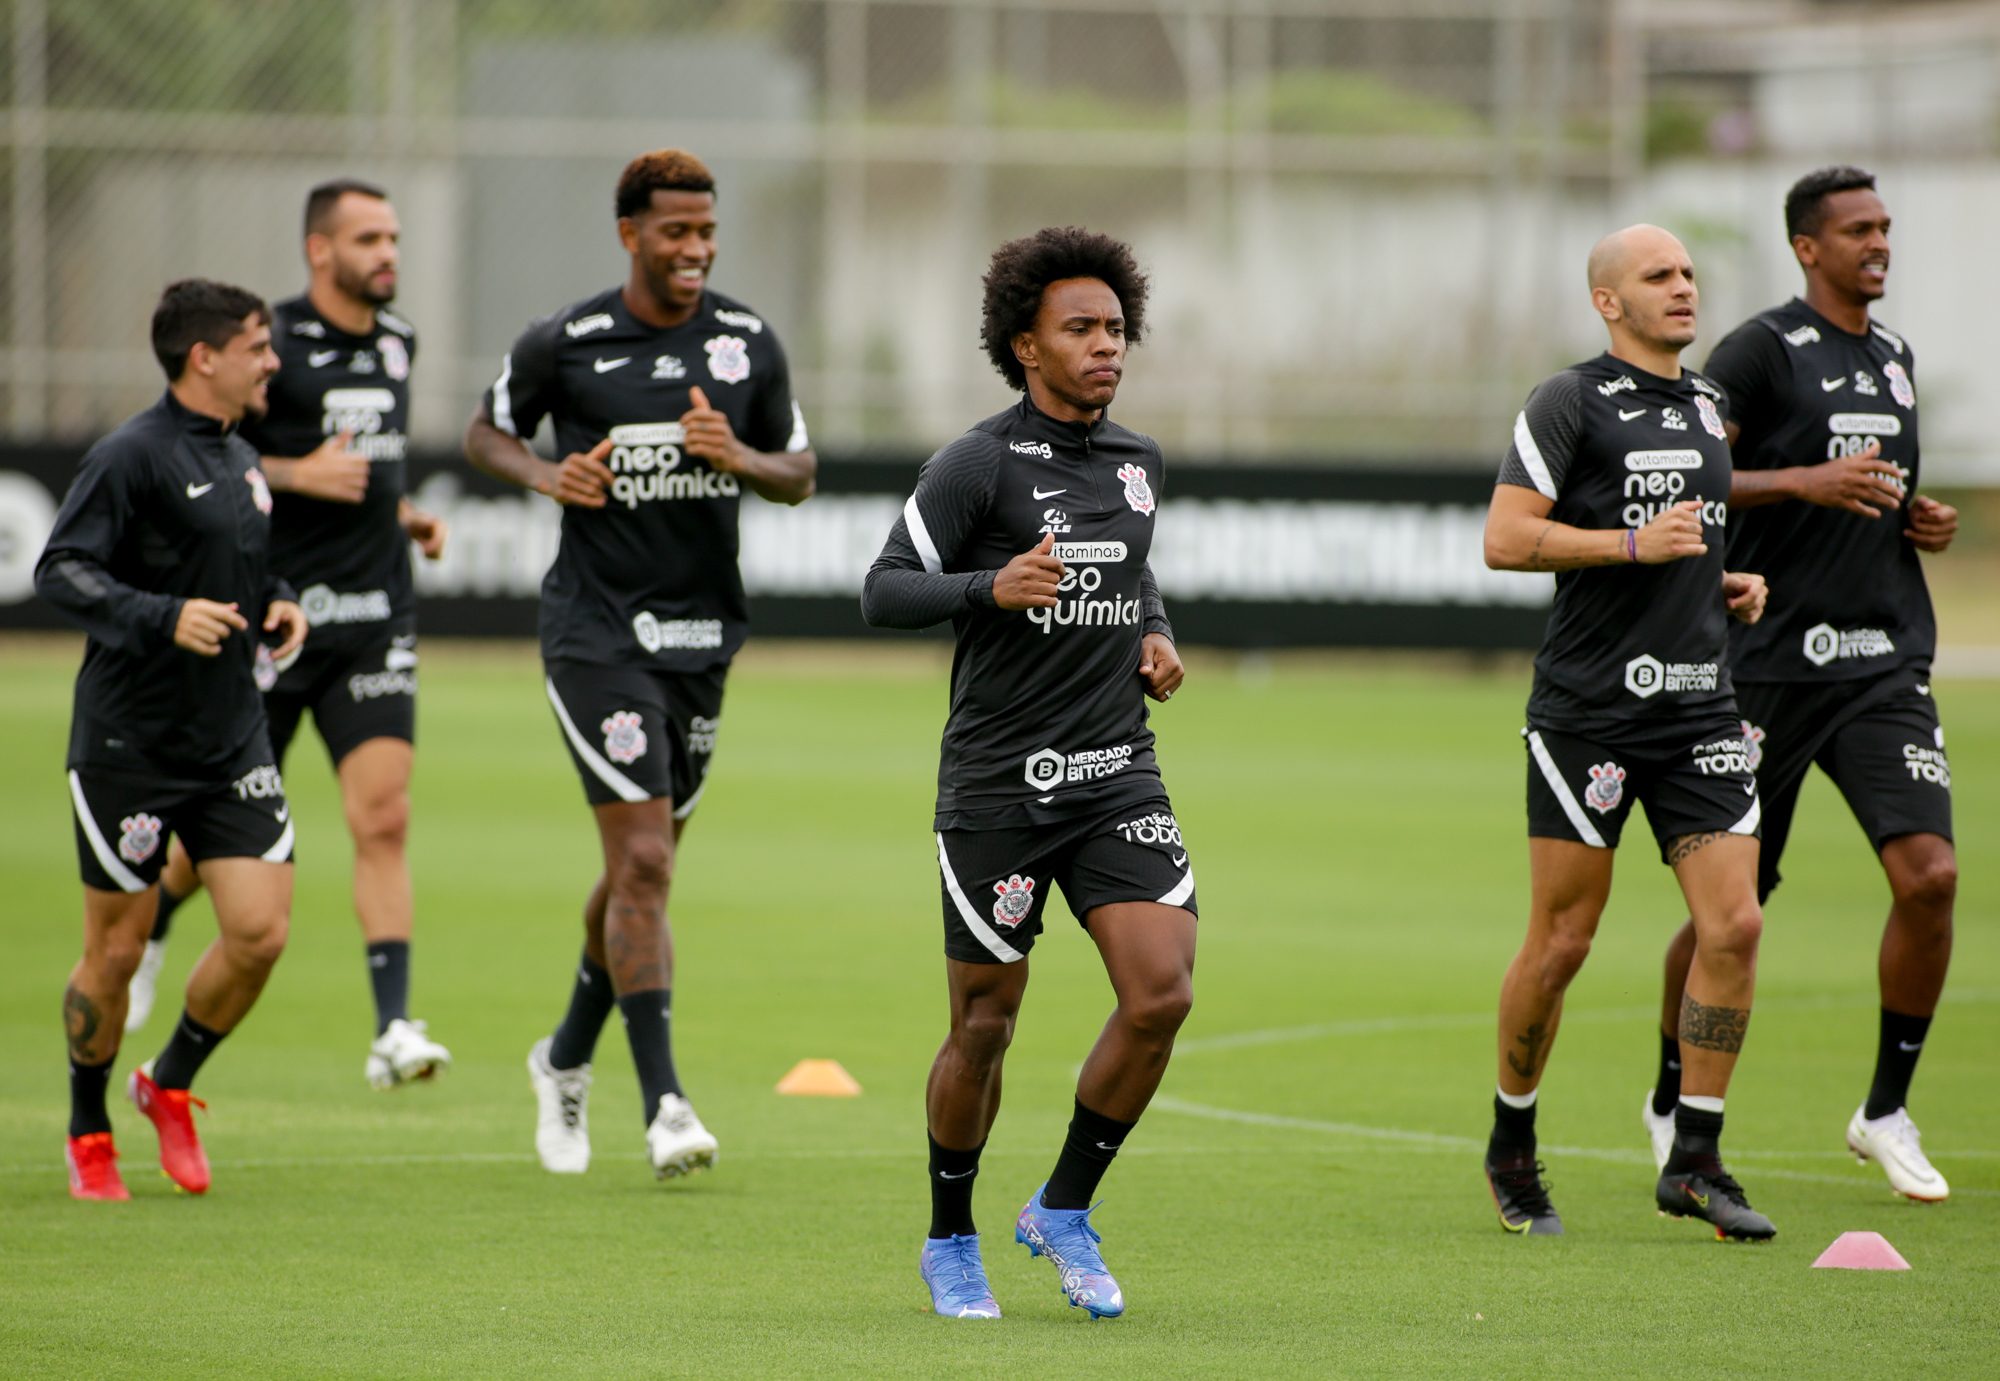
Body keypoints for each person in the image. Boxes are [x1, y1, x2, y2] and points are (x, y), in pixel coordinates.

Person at [463, 149, 815, 1182]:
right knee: (648, 863)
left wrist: (737, 457)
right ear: (629, 234)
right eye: (674, 233)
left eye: (706, 232)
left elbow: (797, 470)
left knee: (636, 868)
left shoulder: (748, 344)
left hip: (702, 641)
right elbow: (486, 431)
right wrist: (541, 472)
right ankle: (664, 1103)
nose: (695, 250)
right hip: (596, 633)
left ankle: (563, 1056)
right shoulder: (564, 343)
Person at [863, 227, 1191, 1320]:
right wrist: (985, 588)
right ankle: (950, 1235)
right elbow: (881, 589)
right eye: (1080, 329)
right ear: (1025, 345)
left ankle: (1060, 1206)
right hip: (999, 786)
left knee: (1160, 994)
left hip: (1114, 775)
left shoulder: (1138, 464)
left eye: (1114, 328)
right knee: (985, 1024)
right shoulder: (976, 463)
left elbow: (1131, 575)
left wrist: (1152, 631)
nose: (1106, 346)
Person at [1643, 167, 1959, 1203]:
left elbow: (1872, 486)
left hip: (1880, 660)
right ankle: (1668, 1093)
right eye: (1856, 230)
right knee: (1728, 912)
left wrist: (1917, 517)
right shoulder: (1757, 350)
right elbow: (1691, 471)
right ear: (1805, 248)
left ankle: (1883, 1108)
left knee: (1929, 877)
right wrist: (1801, 483)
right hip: (1762, 668)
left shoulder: (1894, 355)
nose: (1877, 242)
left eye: (1883, 227)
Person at [1482, 225, 1776, 1241]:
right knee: (1561, 942)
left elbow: (1685, 539)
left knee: (1732, 924)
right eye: (1658, 276)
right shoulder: (1567, 401)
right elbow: (1505, 537)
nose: (1683, 288)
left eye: (1688, 273)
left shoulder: (1707, 406)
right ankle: (1510, 1145)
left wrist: (1716, 583)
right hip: (1589, 715)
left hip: (1700, 708)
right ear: (1608, 301)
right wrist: (1628, 544)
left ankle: (1693, 1156)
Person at [132, 179, 453, 1093]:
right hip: (276, 620)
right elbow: (204, 452)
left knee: (382, 815)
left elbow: (373, 468)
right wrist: (296, 471)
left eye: (393, 235)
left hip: (373, 617)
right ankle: (152, 926)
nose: (388, 252)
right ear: (320, 251)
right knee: (209, 844)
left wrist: (407, 517)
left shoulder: (398, 342)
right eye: (368, 238)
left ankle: (394, 1027)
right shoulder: (265, 345)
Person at [36, 279, 308, 1200]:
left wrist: (278, 604)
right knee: (115, 953)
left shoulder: (242, 455)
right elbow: (60, 569)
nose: (273, 361)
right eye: (259, 346)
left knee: (262, 933)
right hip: (129, 746)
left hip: (231, 740)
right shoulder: (131, 456)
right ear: (206, 357)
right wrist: (162, 616)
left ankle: (171, 1082)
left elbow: (245, 567)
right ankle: (87, 1127)